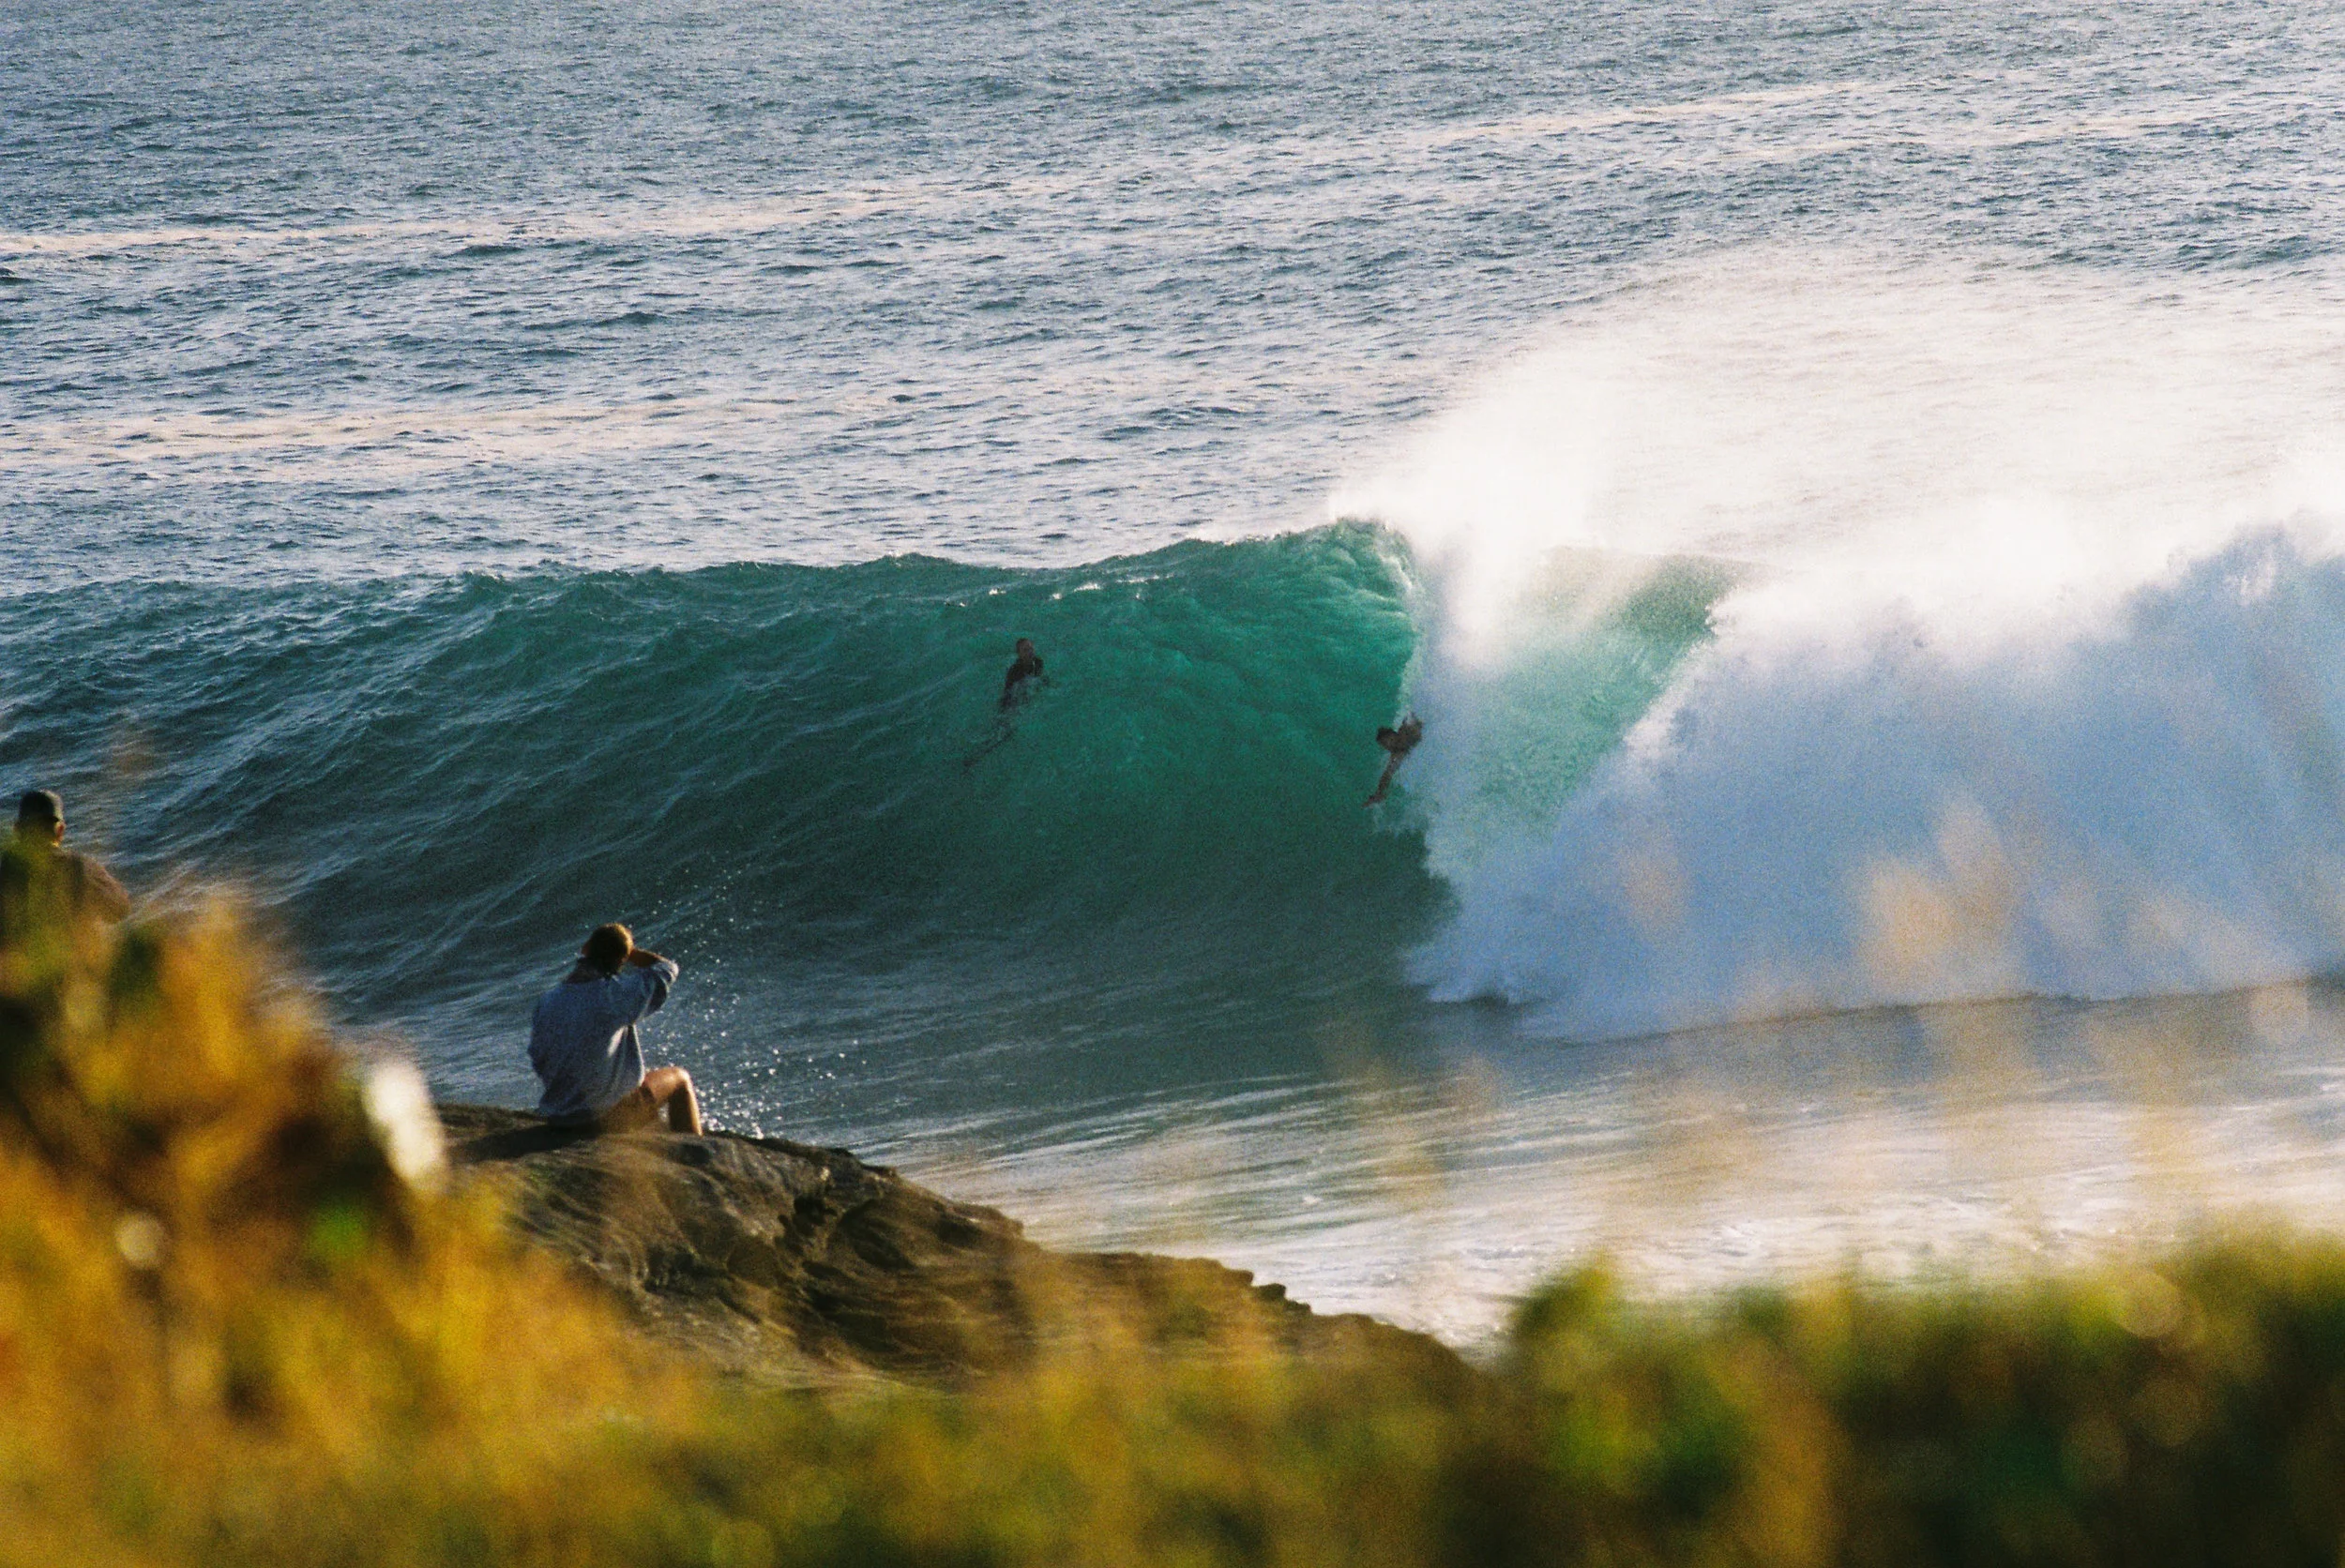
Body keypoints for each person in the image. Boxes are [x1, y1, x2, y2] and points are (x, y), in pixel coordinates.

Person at [528, 922, 703, 1134]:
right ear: (621, 958)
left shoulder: (548, 1002)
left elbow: (538, 1058)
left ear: (585, 950)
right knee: (680, 1078)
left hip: (558, 1115)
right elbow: (667, 968)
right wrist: (631, 953)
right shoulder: (614, 995)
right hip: (603, 1119)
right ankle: (695, 1152)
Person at [0, 789, 132, 938]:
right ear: (61, 830)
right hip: (73, 958)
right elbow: (120, 910)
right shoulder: (80, 867)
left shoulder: (5, 872)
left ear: (17, 830)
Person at [1364, 715, 1423, 806]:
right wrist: (1379, 793)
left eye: (1385, 743)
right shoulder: (1397, 754)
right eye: (1383, 746)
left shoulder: (1405, 730)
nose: (1386, 747)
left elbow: (1416, 719)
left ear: (1392, 736)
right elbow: (1387, 774)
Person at [999, 637, 1046, 712]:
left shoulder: (1038, 663)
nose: (1030, 652)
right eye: (1025, 650)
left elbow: (1038, 680)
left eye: (1031, 649)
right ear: (1019, 654)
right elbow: (1007, 693)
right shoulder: (1014, 671)